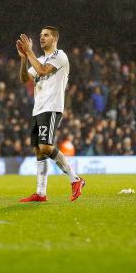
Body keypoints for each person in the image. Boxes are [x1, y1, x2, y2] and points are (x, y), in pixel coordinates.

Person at [16, 26, 85, 202]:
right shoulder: (38, 58)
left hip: (52, 107)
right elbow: (25, 79)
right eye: (40, 35)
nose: (42, 38)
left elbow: (42, 71)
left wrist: (29, 51)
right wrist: (24, 59)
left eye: (46, 35)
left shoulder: (59, 56)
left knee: (46, 146)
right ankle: (40, 192)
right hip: (38, 108)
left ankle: (75, 179)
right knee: (39, 150)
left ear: (54, 38)